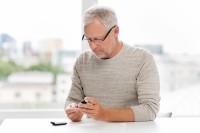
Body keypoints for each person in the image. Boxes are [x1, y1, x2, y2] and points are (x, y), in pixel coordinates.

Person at [65, 5, 160, 122]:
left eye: (98, 39)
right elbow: (72, 99)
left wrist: (104, 114)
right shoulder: (82, 61)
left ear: (116, 31)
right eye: (89, 39)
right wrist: (72, 109)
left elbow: (150, 110)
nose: (93, 46)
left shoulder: (142, 59)